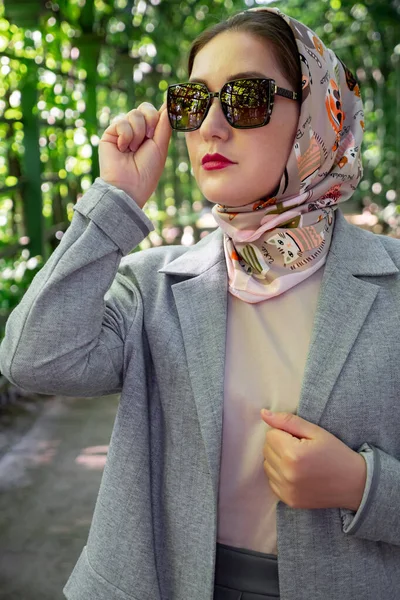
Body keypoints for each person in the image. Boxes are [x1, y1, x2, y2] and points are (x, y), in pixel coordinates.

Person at [0, 5, 399, 600]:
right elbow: (33, 358)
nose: (211, 126)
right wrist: (115, 201)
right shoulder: (154, 286)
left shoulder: (390, 288)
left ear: (318, 111)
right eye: (192, 102)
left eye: (244, 99)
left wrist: (364, 485)